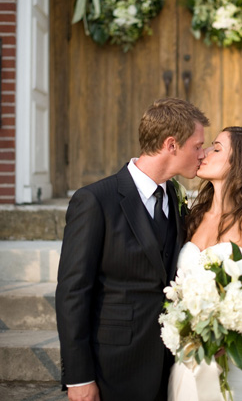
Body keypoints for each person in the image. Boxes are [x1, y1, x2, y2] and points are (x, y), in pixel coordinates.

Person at [56, 98, 210, 401]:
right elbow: (73, 291)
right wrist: (78, 376)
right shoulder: (96, 200)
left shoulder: (177, 199)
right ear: (171, 145)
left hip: (170, 367)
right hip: (113, 367)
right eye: (197, 146)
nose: (202, 154)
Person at [168, 126, 242, 401]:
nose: (204, 152)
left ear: (240, 163)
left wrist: (227, 331)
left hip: (237, 360)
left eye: (216, 148)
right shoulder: (193, 218)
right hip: (189, 357)